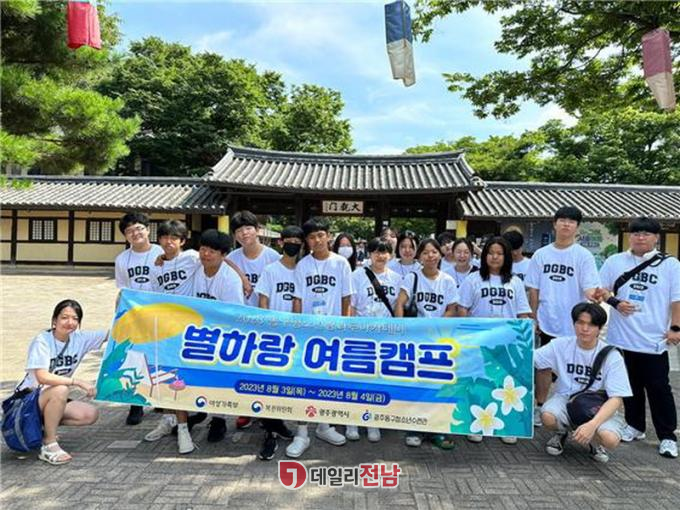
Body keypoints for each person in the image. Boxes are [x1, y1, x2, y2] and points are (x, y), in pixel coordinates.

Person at [599, 217, 680, 458]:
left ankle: (667, 436)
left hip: (654, 340)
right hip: (621, 338)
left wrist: (676, 327)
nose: (640, 237)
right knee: (629, 385)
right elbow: (600, 290)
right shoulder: (615, 261)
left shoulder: (670, 265)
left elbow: (677, 299)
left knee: (659, 388)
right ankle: (635, 426)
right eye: (636, 233)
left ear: (656, 237)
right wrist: (615, 302)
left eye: (646, 233)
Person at [525, 206, 600, 427]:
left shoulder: (583, 256)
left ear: (577, 227)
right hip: (547, 320)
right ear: (554, 223)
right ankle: (539, 406)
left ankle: (573, 407)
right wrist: (534, 317)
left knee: (573, 367)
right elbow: (534, 289)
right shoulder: (541, 254)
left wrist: (595, 295)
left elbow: (589, 287)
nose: (566, 224)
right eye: (563, 220)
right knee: (543, 366)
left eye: (572, 221)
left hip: (575, 324)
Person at [287, 218, 354, 458]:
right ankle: (302, 433)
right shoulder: (302, 265)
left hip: (333, 333)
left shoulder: (341, 264)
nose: (317, 240)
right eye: (312, 237)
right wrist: (298, 329)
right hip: (308, 333)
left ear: (328, 236)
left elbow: (347, 298)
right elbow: (297, 299)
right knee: (304, 383)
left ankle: (325, 426)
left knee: (328, 382)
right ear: (307, 240)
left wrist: (345, 328)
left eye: (321, 235)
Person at [535, 302, 632, 463]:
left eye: (591, 325)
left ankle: (594, 441)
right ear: (574, 324)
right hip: (566, 399)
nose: (585, 329)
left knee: (610, 439)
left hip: (597, 405)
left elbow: (616, 399)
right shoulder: (560, 345)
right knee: (547, 416)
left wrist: (592, 425)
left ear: (599, 328)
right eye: (580, 322)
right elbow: (529, 359)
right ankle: (561, 433)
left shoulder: (611, 356)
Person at [458, 236, 532, 445]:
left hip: (507, 342)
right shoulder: (473, 279)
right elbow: (462, 308)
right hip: (479, 341)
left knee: (506, 384)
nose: (495, 257)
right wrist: (467, 335)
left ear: (506, 256)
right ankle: (477, 424)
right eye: (490, 253)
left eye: (499, 253)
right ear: (484, 256)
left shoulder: (515, 282)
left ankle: (508, 425)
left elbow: (523, 313)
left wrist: (525, 339)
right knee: (479, 382)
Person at [16, 300, 107, 465]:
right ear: (54, 320)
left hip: (52, 400)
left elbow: (112, 334)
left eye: (75, 318)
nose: (70, 322)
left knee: (89, 414)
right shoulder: (42, 341)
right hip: (27, 401)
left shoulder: (80, 339)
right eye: (64, 317)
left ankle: (41, 429)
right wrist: (77, 382)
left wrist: (123, 305)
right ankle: (49, 444)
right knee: (61, 389)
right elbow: (42, 376)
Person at [144, 220, 205, 454]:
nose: (168, 242)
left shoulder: (192, 257)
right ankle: (168, 419)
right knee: (165, 375)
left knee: (181, 378)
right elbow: (152, 296)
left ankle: (183, 428)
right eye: (164, 237)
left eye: (174, 238)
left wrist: (244, 280)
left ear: (183, 240)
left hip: (188, 328)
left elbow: (219, 259)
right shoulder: (155, 266)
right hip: (164, 328)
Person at [395, 238, 458, 449]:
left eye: (433, 252)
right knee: (417, 383)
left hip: (439, 341)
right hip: (416, 341)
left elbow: (451, 308)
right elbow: (400, 303)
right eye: (425, 252)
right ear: (419, 256)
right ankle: (415, 427)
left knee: (438, 384)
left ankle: (436, 429)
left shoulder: (447, 280)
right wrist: (402, 330)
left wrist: (437, 327)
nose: (430, 256)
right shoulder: (412, 277)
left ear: (440, 254)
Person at [254, 225, 305, 460]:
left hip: (298, 336)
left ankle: (286, 426)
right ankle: (270, 431)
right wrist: (267, 329)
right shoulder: (271, 270)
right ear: (281, 242)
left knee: (292, 385)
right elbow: (263, 300)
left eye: (297, 241)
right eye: (289, 240)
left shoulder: (304, 270)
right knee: (271, 384)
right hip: (274, 336)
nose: (293, 244)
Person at [190, 229, 245, 442]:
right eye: (203, 249)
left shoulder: (230, 279)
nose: (205, 254)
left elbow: (234, 315)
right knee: (198, 376)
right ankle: (198, 411)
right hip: (198, 334)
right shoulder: (195, 268)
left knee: (219, 379)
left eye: (212, 251)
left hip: (222, 335)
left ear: (223, 255)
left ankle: (219, 419)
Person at [227, 211, 280, 430]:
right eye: (239, 230)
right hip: (243, 323)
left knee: (267, 369)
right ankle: (247, 410)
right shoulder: (232, 258)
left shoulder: (273, 257)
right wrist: (242, 277)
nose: (244, 233)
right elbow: (215, 260)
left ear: (257, 230)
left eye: (248, 228)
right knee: (245, 368)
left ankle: (270, 413)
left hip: (268, 322)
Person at [348, 237, 402, 443]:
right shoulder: (357, 275)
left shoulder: (397, 278)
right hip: (360, 336)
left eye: (385, 251)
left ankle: (373, 419)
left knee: (378, 379)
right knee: (357, 378)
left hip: (385, 338)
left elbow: (398, 307)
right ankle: (352, 420)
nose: (381, 256)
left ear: (391, 254)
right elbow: (351, 306)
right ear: (369, 254)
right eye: (376, 251)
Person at [114, 212, 164, 426]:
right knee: (135, 358)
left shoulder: (161, 252)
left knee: (160, 356)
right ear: (125, 236)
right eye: (129, 231)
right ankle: (136, 403)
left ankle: (160, 397)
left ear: (148, 229)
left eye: (139, 228)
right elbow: (123, 290)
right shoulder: (122, 259)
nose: (135, 233)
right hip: (135, 315)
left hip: (161, 313)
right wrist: (118, 317)